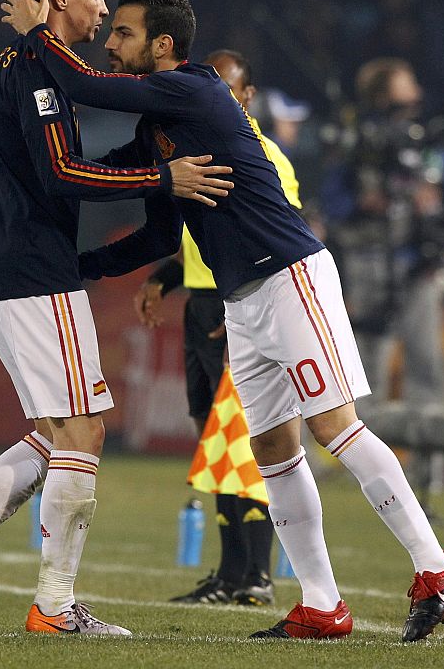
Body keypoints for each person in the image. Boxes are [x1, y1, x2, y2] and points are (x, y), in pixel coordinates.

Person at [1, 0, 444, 643]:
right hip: (242, 297)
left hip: (289, 276)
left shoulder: (192, 89)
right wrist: (79, 264)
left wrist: (37, 36)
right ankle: (322, 604)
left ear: (163, 44)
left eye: (124, 33)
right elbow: (153, 225)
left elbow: (91, 86)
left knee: (335, 427)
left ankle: (436, 566)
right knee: (275, 450)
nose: (111, 42)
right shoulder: (159, 122)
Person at [0, 0, 234, 637]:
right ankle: (55, 607)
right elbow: (64, 172)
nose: (101, 10)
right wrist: (160, 177)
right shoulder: (40, 69)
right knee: (83, 428)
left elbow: (60, 163)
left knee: (57, 431)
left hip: (7, 268)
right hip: (33, 269)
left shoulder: (15, 64)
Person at [133, 49, 303, 607]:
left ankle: (256, 574)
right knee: (217, 444)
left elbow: (277, 239)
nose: (219, 101)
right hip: (203, 308)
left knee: (245, 443)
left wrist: (246, 323)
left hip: (240, 311)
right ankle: (231, 573)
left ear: (248, 97)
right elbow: (203, 246)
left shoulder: (265, 157)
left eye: (230, 91)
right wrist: (164, 277)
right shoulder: (200, 151)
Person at [321, 58, 444, 492]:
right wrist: (363, 201)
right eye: (406, 85)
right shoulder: (358, 143)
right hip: (369, 266)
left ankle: (429, 473)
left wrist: (436, 199)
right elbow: (334, 201)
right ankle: (365, 468)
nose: (416, 93)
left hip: (419, 266)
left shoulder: (426, 144)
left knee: (426, 366)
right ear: (384, 94)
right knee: (364, 369)